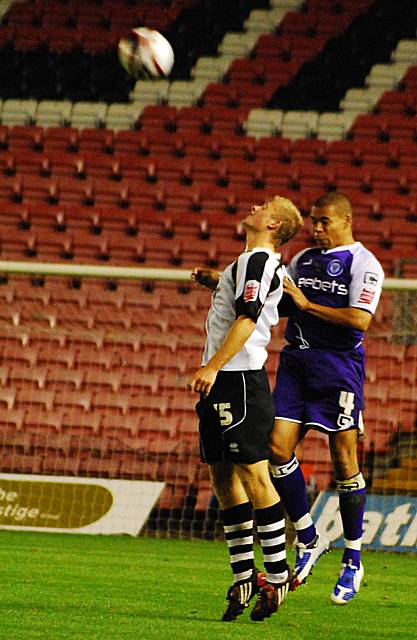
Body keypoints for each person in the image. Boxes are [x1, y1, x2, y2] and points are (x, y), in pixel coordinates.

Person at [188, 196, 304, 622]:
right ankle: (243, 575)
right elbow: (271, 299)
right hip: (228, 381)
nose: (255, 206)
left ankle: (275, 575)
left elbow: (250, 317)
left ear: (274, 224)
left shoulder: (259, 260)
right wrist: (219, 281)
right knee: (221, 475)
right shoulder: (252, 263)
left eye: (265, 205)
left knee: (254, 474)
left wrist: (212, 366)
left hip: (237, 378)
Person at [269, 191, 385, 605]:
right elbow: (284, 305)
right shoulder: (302, 260)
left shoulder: (365, 263)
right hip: (297, 364)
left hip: (339, 369)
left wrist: (305, 302)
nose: (315, 229)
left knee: (344, 461)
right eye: (312, 222)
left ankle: (353, 558)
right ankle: (309, 538)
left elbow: (359, 320)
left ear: (346, 220)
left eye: (323, 222)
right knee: (276, 449)